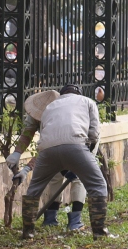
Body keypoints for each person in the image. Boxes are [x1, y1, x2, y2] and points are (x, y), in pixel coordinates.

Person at [6, 85, 112, 240]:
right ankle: (99, 232)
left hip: (47, 152)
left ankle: (27, 232)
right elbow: (94, 134)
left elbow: (47, 141)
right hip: (77, 145)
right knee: (97, 185)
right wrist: (82, 157)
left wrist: (27, 168)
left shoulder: (49, 108)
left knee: (33, 190)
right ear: (78, 94)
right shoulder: (88, 102)